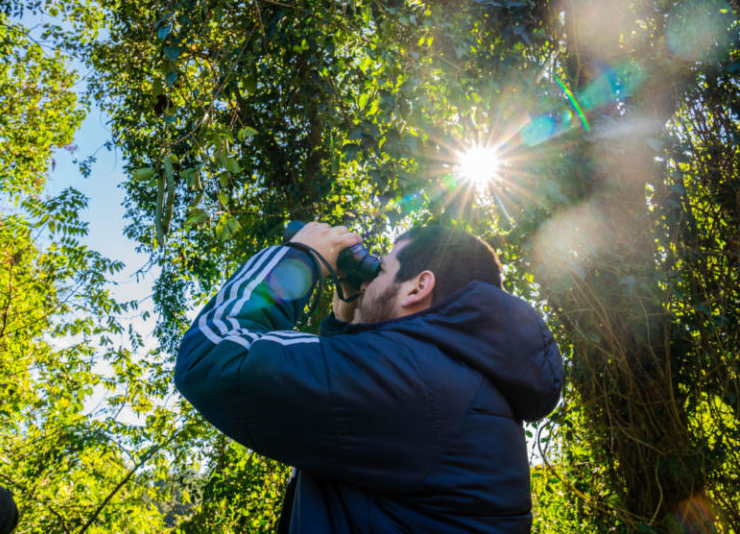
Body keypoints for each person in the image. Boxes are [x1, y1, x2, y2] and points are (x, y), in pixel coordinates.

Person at [175, 222, 563, 533]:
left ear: (418, 286)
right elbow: (337, 397)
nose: (370, 279)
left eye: (383, 268)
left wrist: (300, 256)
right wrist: (348, 309)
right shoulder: (453, 378)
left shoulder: (414, 381)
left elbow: (214, 353)